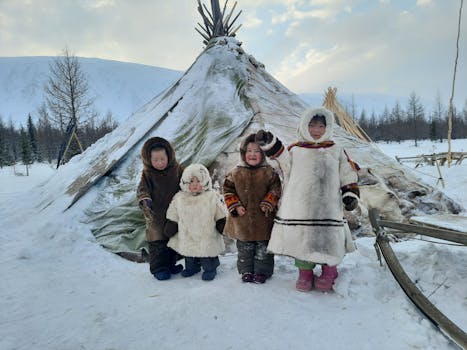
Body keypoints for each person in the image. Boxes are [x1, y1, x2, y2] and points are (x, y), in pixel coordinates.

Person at [255, 107, 359, 292]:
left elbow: (347, 173)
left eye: (321, 126)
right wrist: (269, 143)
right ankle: (305, 274)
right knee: (302, 240)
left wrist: (349, 194)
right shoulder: (296, 149)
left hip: (328, 207)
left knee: (329, 242)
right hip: (300, 207)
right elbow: (282, 160)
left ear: (327, 127)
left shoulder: (336, 149)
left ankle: (329, 272)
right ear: (304, 125)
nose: (316, 130)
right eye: (312, 125)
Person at [222, 134, 282, 284]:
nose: (253, 154)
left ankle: (262, 271)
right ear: (243, 153)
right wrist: (235, 206)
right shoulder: (236, 172)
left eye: (257, 151)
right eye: (249, 151)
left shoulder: (269, 171)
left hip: (264, 218)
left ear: (262, 153)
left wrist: (269, 202)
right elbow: (228, 190)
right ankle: (246, 270)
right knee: (244, 248)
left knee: (263, 248)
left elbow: (276, 189)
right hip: (242, 219)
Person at [164, 163, 227, 281]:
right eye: (191, 181)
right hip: (187, 234)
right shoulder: (180, 198)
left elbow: (220, 212)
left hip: (206, 235)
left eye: (198, 181)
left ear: (205, 182)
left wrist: (221, 224)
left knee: (207, 254)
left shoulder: (211, 197)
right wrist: (171, 225)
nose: (194, 185)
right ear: (185, 182)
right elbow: (173, 213)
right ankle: (192, 268)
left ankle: (211, 268)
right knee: (189, 254)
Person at [137, 137, 184, 281]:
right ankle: (159, 268)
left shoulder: (177, 169)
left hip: (174, 213)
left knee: (172, 241)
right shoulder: (148, 174)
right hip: (156, 215)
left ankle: (170, 265)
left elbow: (185, 181)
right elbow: (142, 189)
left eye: (162, 159)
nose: (159, 163)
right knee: (158, 243)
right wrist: (145, 199)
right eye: (155, 160)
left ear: (168, 156)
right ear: (149, 159)